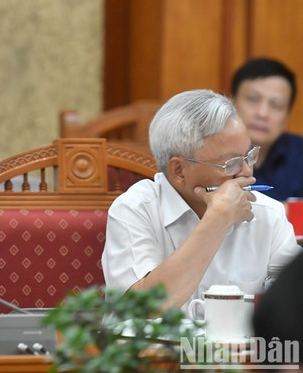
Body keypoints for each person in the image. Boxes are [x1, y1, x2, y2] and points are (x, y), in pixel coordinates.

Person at [102, 89, 300, 312]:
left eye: (249, 156)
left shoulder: (269, 214)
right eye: (232, 163)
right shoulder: (134, 210)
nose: (247, 172)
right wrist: (216, 221)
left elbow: (292, 310)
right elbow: (140, 311)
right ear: (179, 170)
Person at [231, 57, 303, 201]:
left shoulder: (299, 154)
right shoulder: (208, 154)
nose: (262, 114)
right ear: (231, 102)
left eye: (276, 105)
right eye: (252, 99)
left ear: (287, 117)